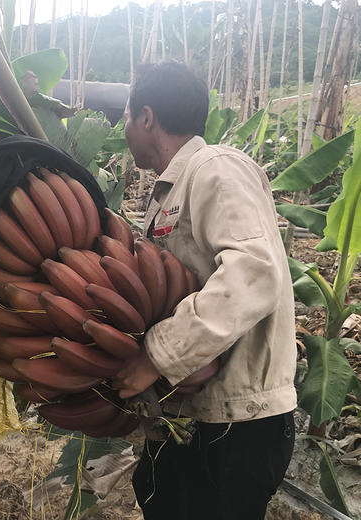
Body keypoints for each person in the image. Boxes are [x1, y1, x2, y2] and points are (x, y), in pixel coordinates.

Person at [112, 61, 297, 519]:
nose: (124, 130)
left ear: (147, 117)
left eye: (126, 117)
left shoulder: (215, 167)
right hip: (198, 416)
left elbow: (252, 271)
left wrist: (155, 355)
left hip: (240, 424)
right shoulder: (171, 189)